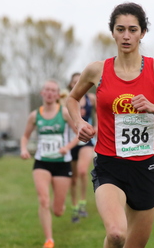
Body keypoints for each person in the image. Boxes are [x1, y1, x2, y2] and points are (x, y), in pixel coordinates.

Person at [66, 2, 154, 248]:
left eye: (133, 30)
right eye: (120, 29)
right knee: (116, 234)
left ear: (143, 33)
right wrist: (78, 121)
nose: (126, 36)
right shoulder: (96, 70)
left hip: (144, 168)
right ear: (112, 32)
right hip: (109, 164)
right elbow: (72, 99)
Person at [20, 80, 79, 248]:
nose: (50, 93)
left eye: (54, 90)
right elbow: (25, 136)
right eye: (47, 90)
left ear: (57, 95)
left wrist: (67, 147)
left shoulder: (65, 113)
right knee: (44, 201)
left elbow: (78, 133)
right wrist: (24, 149)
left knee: (58, 211)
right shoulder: (34, 115)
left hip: (62, 164)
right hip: (42, 163)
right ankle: (49, 240)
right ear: (42, 93)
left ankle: (60, 206)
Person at [67, 72, 97, 223]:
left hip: (86, 140)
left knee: (83, 171)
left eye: (80, 81)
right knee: (73, 178)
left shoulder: (91, 99)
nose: (77, 84)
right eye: (74, 82)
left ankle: (83, 203)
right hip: (71, 141)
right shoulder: (67, 101)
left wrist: (96, 128)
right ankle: (74, 208)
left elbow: (102, 113)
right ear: (70, 85)